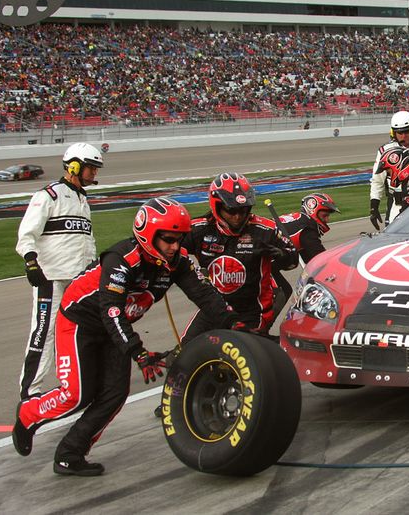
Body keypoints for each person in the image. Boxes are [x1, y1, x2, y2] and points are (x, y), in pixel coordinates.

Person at [12, 197, 241, 475]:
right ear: (148, 235)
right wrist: (138, 352)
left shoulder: (176, 261)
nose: (175, 247)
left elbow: (205, 296)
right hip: (80, 323)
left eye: (179, 240)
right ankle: (28, 414)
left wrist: (234, 324)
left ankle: (70, 453)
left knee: (115, 394)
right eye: (168, 240)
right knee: (76, 394)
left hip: (115, 328)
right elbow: (111, 311)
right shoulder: (121, 260)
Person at [15, 142, 104, 401]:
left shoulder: (82, 199)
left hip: (79, 280)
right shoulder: (49, 195)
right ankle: (30, 391)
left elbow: (85, 240)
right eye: (91, 168)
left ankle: (77, 382)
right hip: (50, 278)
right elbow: (26, 233)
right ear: (74, 165)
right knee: (44, 333)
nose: (94, 174)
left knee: (82, 331)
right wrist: (31, 262)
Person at [179, 173, 298, 344]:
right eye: (231, 210)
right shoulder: (199, 229)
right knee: (185, 351)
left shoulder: (266, 230)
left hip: (251, 312)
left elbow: (293, 259)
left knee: (238, 357)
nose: (237, 217)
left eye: (243, 210)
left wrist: (283, 256)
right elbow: (170, 248)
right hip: (214, 307)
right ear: (217, 206)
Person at [270, 193, 341, 315]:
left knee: (284, 289)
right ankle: (260, 327)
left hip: (267, 257)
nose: (327, 220)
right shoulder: (307, 228)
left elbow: (310, 264)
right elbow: (322, 261)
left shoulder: (300, 221)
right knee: (282, 291)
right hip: (261, 257)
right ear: (313, 211)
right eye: (325, 215)